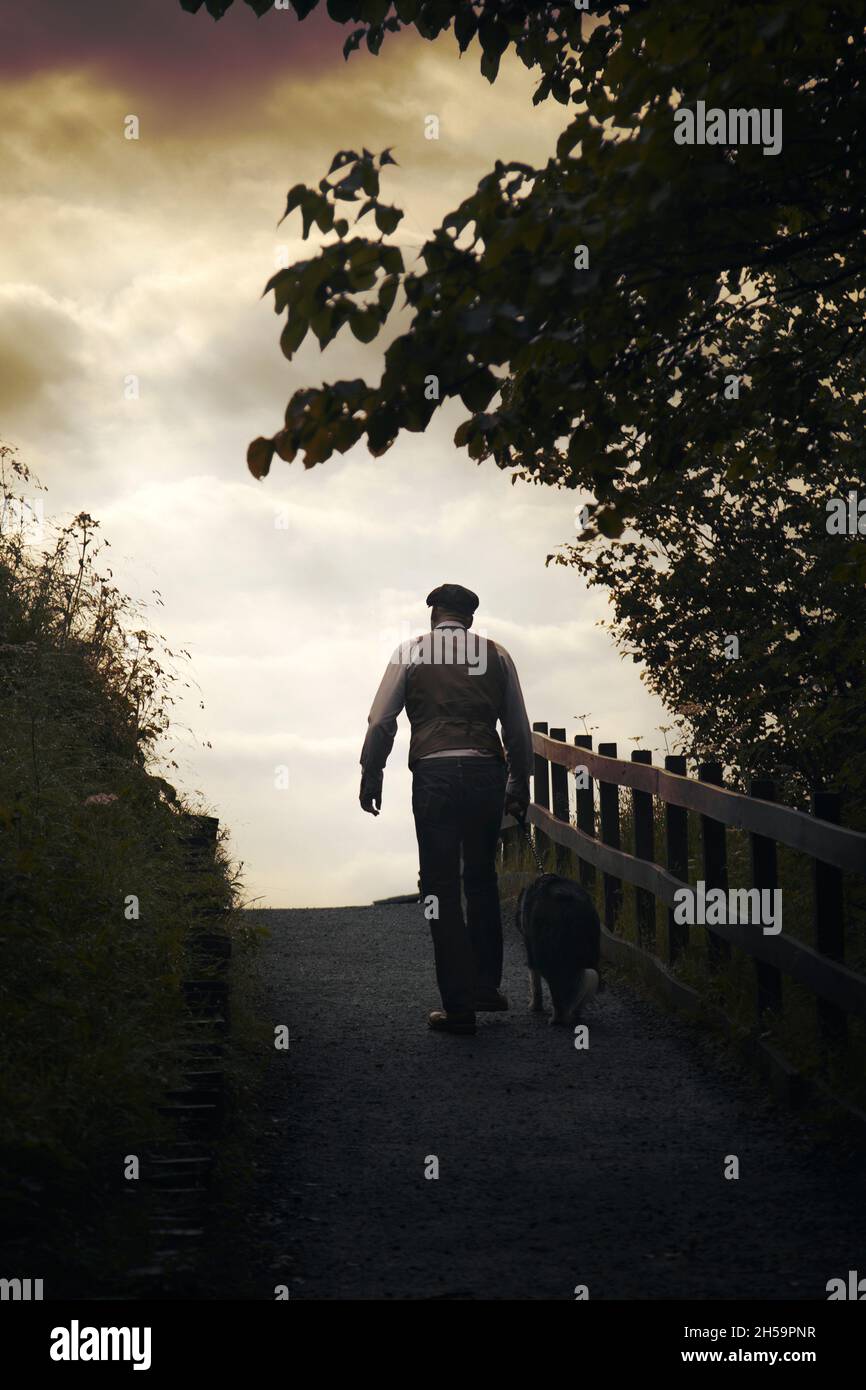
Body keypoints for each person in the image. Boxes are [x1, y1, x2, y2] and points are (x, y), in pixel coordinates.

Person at [359, 583, 533, 1035]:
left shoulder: (410, 653)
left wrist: (372, 772)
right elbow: (518, 728)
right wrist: (517, 785)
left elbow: (381, 720)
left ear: (434, 614)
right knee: (480, 878)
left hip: (435, 775)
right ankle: (485, 988)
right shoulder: (497, 656)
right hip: (484, 774)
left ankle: (458, 1007)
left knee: (439, 886)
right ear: (469, 619)